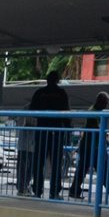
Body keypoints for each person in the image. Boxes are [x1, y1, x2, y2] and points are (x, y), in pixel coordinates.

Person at [69, 91, 109, 202]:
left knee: (83, 170)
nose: (107, 105)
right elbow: (98, 131)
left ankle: (74, 190)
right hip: (94, 147)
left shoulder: (94, 111)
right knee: (103, 170)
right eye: (106, 103)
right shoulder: (93, 113)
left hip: (90, 146)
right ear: (100, 101)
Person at [28, 71, 71, 200]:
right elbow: (66, 114)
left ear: (47, 80)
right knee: (56, 163)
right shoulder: (61, 93)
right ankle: (54, 192)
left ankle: (37, 191)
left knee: (38, 162)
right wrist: (67, 131)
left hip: (41, 131)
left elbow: (32, 111)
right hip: (56, 132)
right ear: (57, 80)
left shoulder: (39, 93)